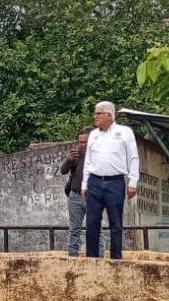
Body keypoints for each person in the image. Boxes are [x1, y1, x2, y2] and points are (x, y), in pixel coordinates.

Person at [81, 101, 140, 259]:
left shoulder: (124, 132)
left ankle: (116, 259)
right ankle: (92, 259)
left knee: (115, 223)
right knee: (92, 222)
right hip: (95, 181)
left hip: (115, 182)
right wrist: (84, 184)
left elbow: (133, 158)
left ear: (109, 115)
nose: (95, 116)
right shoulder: (93, 134)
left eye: (98, 113)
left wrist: (133, 182)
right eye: (95, 113)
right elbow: (88, 161)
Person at [60, 127, 96, 257]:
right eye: (80, 142)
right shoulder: (75, 156)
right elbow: (63, 171)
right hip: (75, 196)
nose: (82, 145)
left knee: (96, 229)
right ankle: (72, 258)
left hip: (93, 196)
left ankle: (97, 259)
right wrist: (69, 160)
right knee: (74, 230)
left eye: (85, 142)